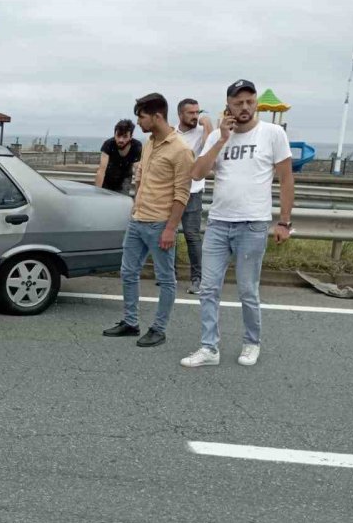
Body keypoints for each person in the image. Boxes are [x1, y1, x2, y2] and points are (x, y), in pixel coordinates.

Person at [181, 80, 295, 369]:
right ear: (228, 105)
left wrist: (284, 221)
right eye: (238, 102)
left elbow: (286, 179)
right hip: (219, 223)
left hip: (253, 225)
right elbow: (196, 173)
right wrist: (220, 139)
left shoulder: (273, 133)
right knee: (208, 288)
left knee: (247, 289)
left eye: (249, 101)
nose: (244, 107)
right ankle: (209, 347)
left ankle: (251, 342)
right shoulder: (218, 136)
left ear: (255, 101)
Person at [103, 93, 193, 348]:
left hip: (160, 224)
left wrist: (170, 228)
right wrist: (135, 204)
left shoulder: (181, 150)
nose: (139, 122)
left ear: (157, 116)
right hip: (138, 219)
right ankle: (131, 322)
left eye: (142, 117)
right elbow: (141, 174)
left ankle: (159, 329)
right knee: (128, 272)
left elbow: (181, 193)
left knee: (165, 279)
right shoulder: (149, 142)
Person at [175, 98, 214, 294]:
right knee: (169, 234)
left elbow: (209, 148)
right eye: (191, 113)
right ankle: (169, 275)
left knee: (192, 236)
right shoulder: (172, 134)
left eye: (197, 112)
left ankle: (197, 279)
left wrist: (207, 123)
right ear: (180, 114)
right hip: (172, 192)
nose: (195, 116)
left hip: (193, 191)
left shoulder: (201, 132)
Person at [95, 119, 142, 194]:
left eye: (125, 136)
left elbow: (138, 171)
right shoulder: (108, 144)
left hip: (125, 178)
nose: (121, 140)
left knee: (122, 200)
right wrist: (97, 193)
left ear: (131, 137)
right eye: (118, 136)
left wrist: (138, 197)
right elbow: (101, 170)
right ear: (114, 134)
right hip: (108, 177)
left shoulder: (136, 146)